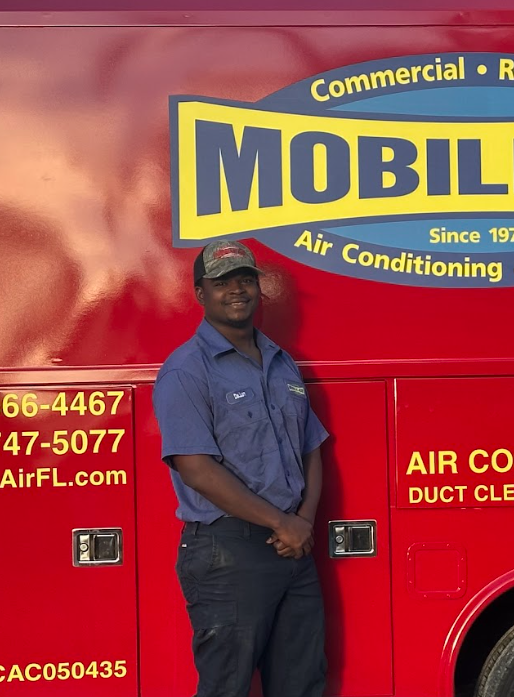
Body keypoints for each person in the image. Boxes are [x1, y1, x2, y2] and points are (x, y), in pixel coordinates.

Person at [152, 239, 329, 697]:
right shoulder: (187, 370)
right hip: (228, 551)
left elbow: (311, 447)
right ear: (201, 293)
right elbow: (195, 467)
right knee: (226, 688)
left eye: (245, 279)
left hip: (293, 547)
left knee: (302, 685)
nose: (237, 290)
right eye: (222, 282)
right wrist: (282, 523)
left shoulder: (281, 363)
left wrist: (303, 522)